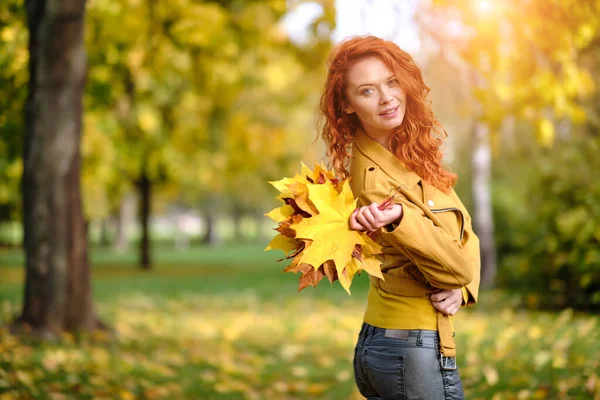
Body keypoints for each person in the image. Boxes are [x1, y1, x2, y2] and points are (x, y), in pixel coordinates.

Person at [318, 35, 481, 399]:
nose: (388, 97)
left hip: (401, 344)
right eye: (367, 91)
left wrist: (464, 288)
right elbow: (451, 266)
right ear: (346, 104)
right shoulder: (372, 180)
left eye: (391, 82)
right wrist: (401, 218)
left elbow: (463, 228)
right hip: (410, 346)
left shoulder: (408, 151)